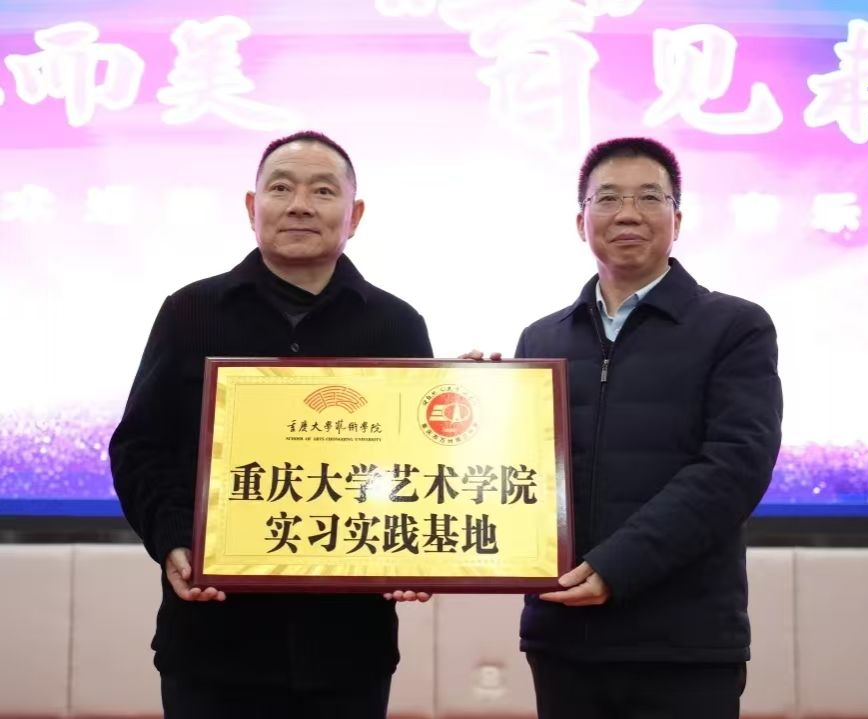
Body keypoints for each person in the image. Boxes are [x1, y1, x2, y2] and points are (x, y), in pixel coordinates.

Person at [109, 130, 433, 719]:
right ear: (252, 207)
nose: (300, 205)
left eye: (323, 191)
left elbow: (423, 464)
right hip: (212, 640)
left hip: (348, 648)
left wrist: (417, 551)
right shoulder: (190, 312)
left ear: (355, 215)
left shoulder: (397, 325)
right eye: (281, 188)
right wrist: (174, 538)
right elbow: (141, 447)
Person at [473, 136, 782, 718]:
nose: (628, 214)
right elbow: (517, 475)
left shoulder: (734, 327)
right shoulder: (542, 339)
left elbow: (736, 467)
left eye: (649, 197)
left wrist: (618, 566)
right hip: (563, 635)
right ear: (581, 221)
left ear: (677, 219)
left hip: (684, 640)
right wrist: (474, 402)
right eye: (609, 198)